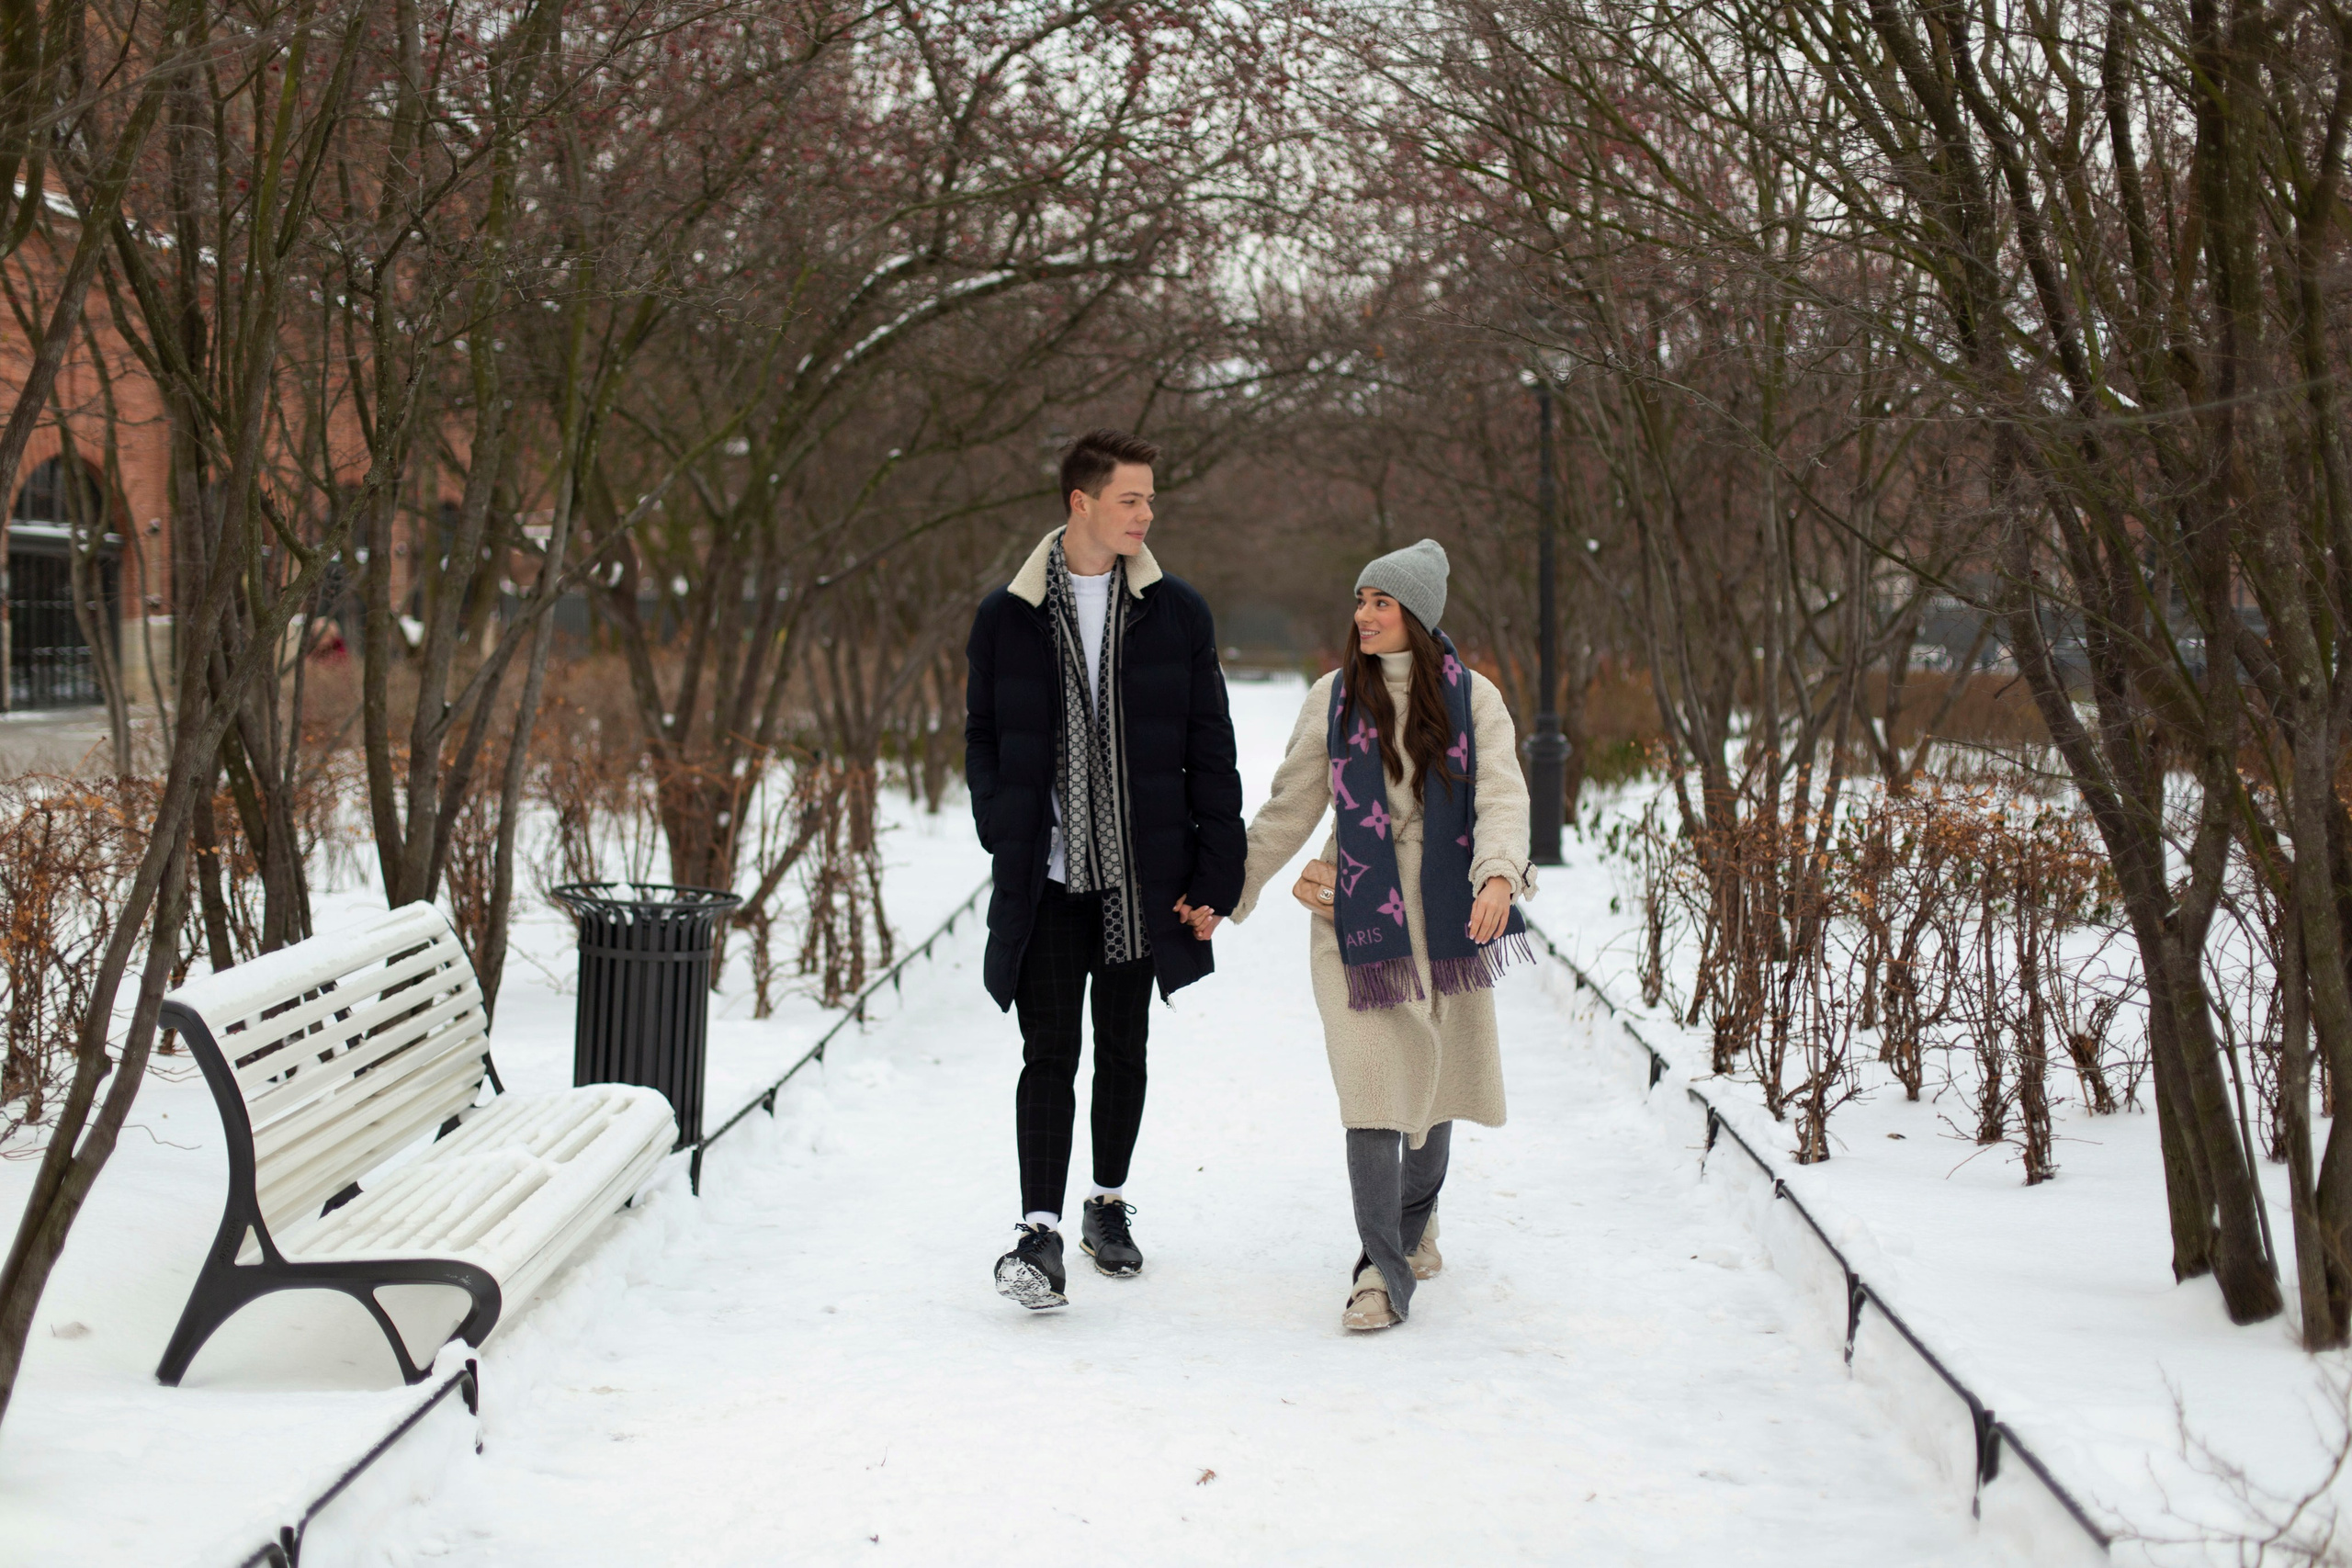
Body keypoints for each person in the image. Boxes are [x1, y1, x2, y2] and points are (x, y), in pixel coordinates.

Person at [964, 428, 1246, 1311]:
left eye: (1150, 499)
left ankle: (1107, 1204)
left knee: (1125, 1046)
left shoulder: (1177, 612)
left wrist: (1217, 873)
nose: (1146, 513)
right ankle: (1037, 1230)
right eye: (1131, 498)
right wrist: (1000, 818)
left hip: (1140, 875)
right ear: (1080, 502)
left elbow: (1211, 746)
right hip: (1046, 875)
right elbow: (981, 734)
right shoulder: (1008, 614)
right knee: (1048, 1050)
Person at [1227, 538, 1534, 1331]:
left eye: (1381, 602)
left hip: (1447, 911)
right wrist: (1232, 886)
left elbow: (1503, 796)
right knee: (1371, 1085)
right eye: (1360, 600)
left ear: (1416, 616)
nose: (1363, 615)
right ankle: (1380, 1270)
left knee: (1434, 1088)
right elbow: (1292, 805)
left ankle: (1413, 1221)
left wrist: (1498, 875)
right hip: (1356, 911)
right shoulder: (1334, 697)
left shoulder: (1477, 700)